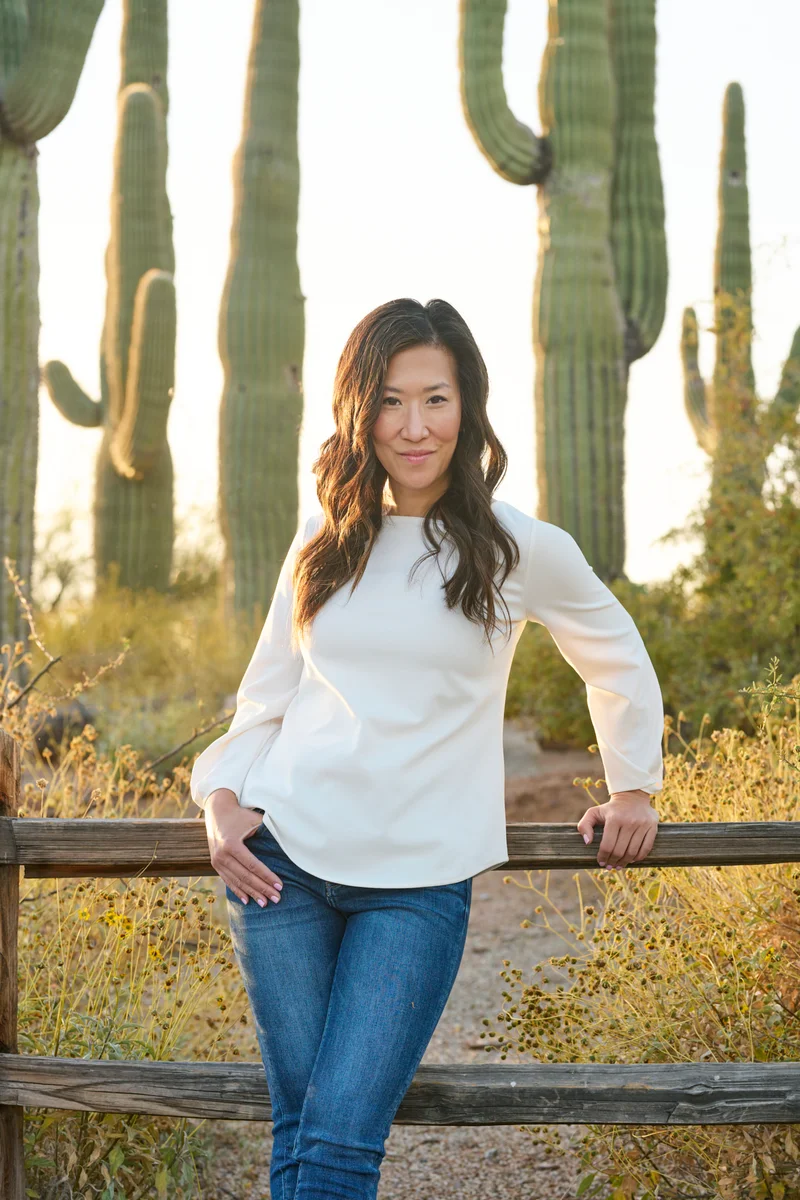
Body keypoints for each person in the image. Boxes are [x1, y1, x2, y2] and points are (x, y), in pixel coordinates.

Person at [190, 297, 664, 1200]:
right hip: (281, 867)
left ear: (467, 406)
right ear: (359, 411)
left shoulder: (520, 546)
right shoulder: (323, 539)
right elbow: (268, 692)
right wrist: (219, 797)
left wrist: (632, 784)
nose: (414, 427)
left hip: (417, 885)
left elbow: (617, 654)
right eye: (391, 401)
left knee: (338, 1139)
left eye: (435, 399)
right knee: (301, 1131)